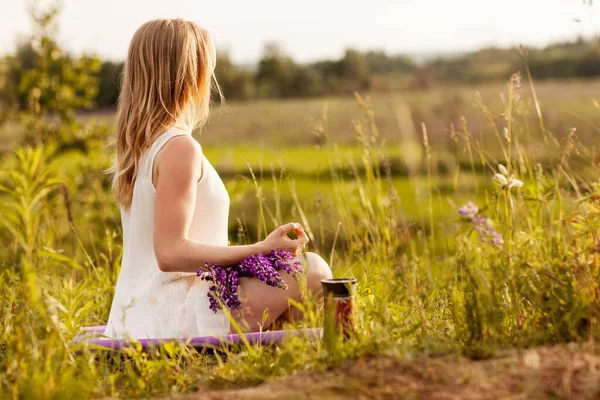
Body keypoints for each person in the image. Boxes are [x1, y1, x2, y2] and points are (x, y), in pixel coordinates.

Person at [104, 18, 332, 340]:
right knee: (314, 270)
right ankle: (280, 366)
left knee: (297, 275)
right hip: (176, 316)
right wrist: (259, 248)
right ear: (191, 75)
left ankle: (269, 360)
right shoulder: (179, 148)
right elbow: (170, 254)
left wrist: (263, 255)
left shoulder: (142, 149)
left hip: (140, 314)